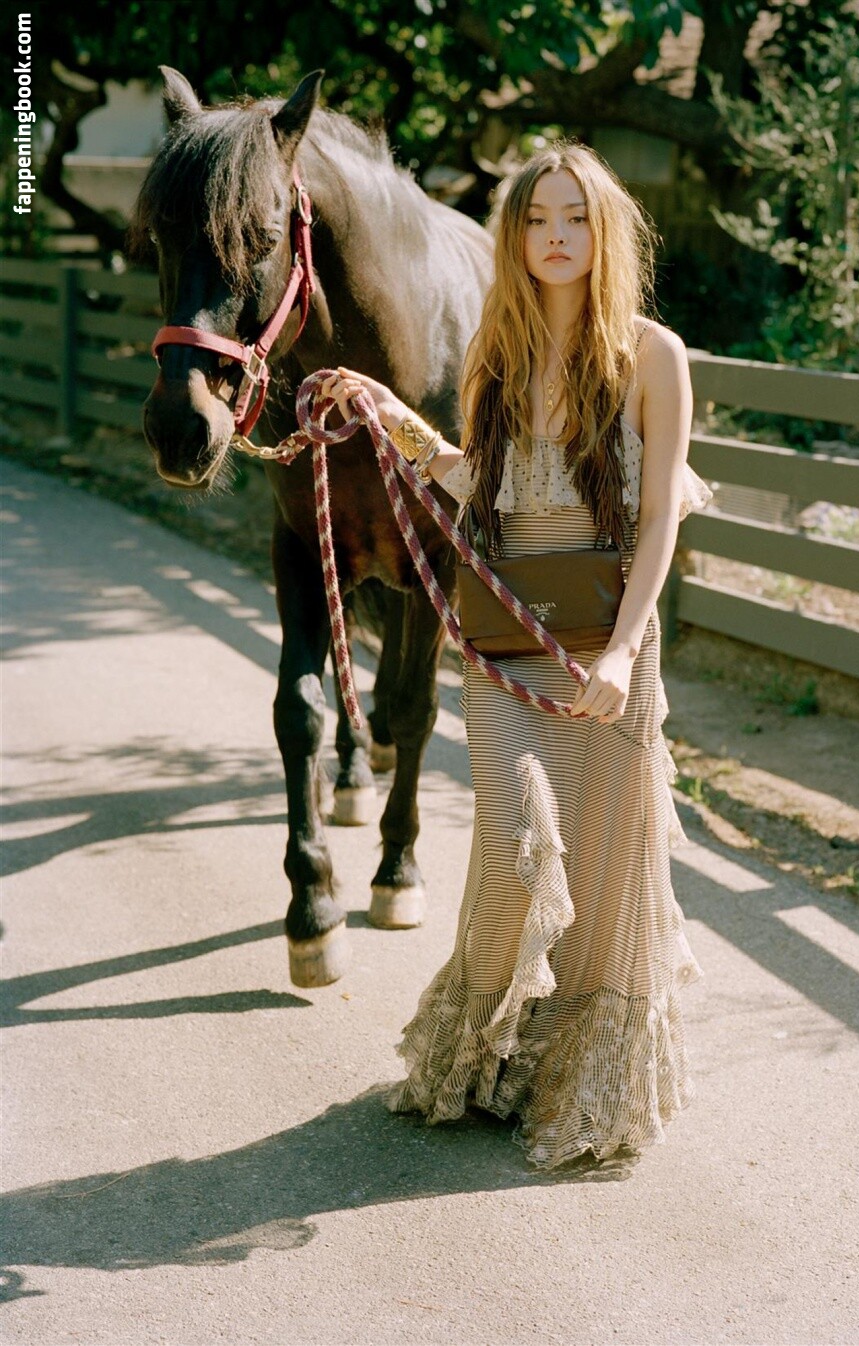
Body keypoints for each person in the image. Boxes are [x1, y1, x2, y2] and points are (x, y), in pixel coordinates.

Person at [324, 142, 714, 1170]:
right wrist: (395, 422)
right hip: (507, 638)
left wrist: (623, 656)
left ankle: (564, 1066)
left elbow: (660, 519)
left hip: (606, 643)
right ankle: (488, 1045)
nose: (556, 235)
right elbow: (485, 486)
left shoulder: (654, 356)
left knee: (602, 866)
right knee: (511, 848)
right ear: (514, 236)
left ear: (606, 231)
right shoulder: (495, 350)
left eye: (575, 216)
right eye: (537, 218)